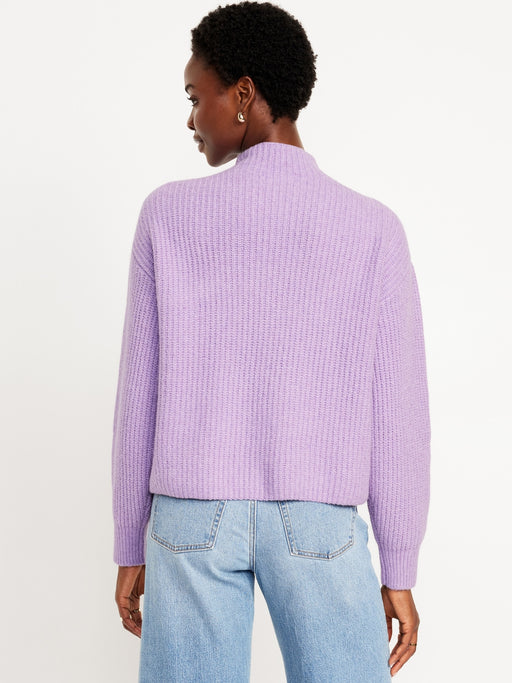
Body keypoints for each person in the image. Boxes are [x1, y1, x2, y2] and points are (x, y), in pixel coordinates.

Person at [112, 2, 431, 681]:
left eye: (196, 97)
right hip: (320, 520)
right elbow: (399, 410)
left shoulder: (167, 214)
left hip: (189, 519)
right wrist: (399, 564)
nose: (191, 119)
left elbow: (138, 395)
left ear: (243, 93)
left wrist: (128, 540)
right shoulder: (372, 227)